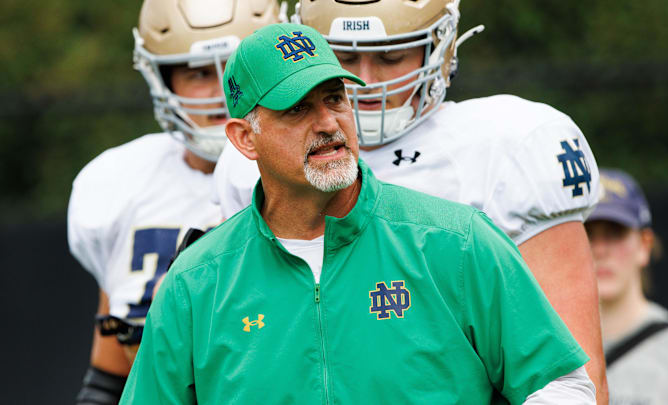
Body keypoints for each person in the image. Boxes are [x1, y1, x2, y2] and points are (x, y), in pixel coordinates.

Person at [121, 22, 596, 405]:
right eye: (297, 109)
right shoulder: (196, 282)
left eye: (334, 99)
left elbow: (563, 384)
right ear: (246, 138)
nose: (327, 123)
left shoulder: (457, 240)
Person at [67, 1, 281, 403]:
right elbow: (110, 372)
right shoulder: (117, 183)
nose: (222, 90)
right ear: (162, 79)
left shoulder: (322, 172)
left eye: (236, 64)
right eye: (199, 72)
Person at [585, 169, 668, 405]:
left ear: (644, 245)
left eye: (615, 233)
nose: (600, 249)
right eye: (587, 234)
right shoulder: (542, 354)